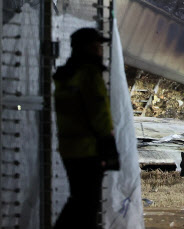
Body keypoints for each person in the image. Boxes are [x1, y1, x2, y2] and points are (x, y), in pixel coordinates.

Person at [53, 28, 119, 229]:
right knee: (87, 204)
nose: (99, 49)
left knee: (78, 199)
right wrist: (107, 141)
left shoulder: (65, 75)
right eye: (96, 45)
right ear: (85, 48)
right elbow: (99, 111)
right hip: (89, 149)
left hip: (69, 149)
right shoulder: (89, 73)